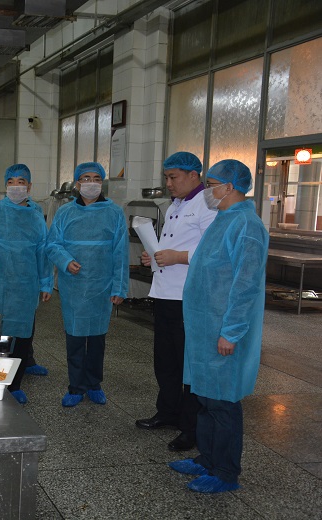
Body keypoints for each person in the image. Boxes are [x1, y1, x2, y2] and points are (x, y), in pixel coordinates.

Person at [168, 160, 268, 493]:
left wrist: (231, 332)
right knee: (206, 398)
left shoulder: (247, 226)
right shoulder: (223, 219)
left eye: (211, 185)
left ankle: (225, 472)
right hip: (204, 327)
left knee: (223, 403)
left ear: (230, 187)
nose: (207, 192)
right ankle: (207, 458)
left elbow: (246, 285)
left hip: (223, 330)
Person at [135, 152, 217, 452]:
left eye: (174, 177)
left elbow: (213, 252)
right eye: (166, 177)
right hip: (165, 293)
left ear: (194, 175)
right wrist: (154, 255)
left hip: (189, 296)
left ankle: (190, 427)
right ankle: (168, 412)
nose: (168, 183)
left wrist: (177, 257)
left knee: (188, 364)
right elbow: (171, 245)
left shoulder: (208, 205)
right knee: (166, 360)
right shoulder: (175, 205)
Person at [46, 162, 129, 407]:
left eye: (96, 178)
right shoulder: (65, 213)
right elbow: (53, 244)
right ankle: (75, 387)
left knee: (96, 339)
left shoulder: (114, 213)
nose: (91, 183)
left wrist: (119, 287)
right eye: (86, 178)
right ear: (77, 183)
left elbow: (121, 252)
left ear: (102, 183)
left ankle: (93, 384)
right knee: (74, 338)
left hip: (102, 286)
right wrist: (66, 261)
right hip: (73, 286)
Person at [0, 164, 53, 405]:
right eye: (11, 182)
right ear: (5, 185)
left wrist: (46, 283)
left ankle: (15, 384)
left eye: (21, 182)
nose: (16, 187)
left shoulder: (36, 217)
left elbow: (42, 252)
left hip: (25, 285)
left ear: (29, 186)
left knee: (22, 334)